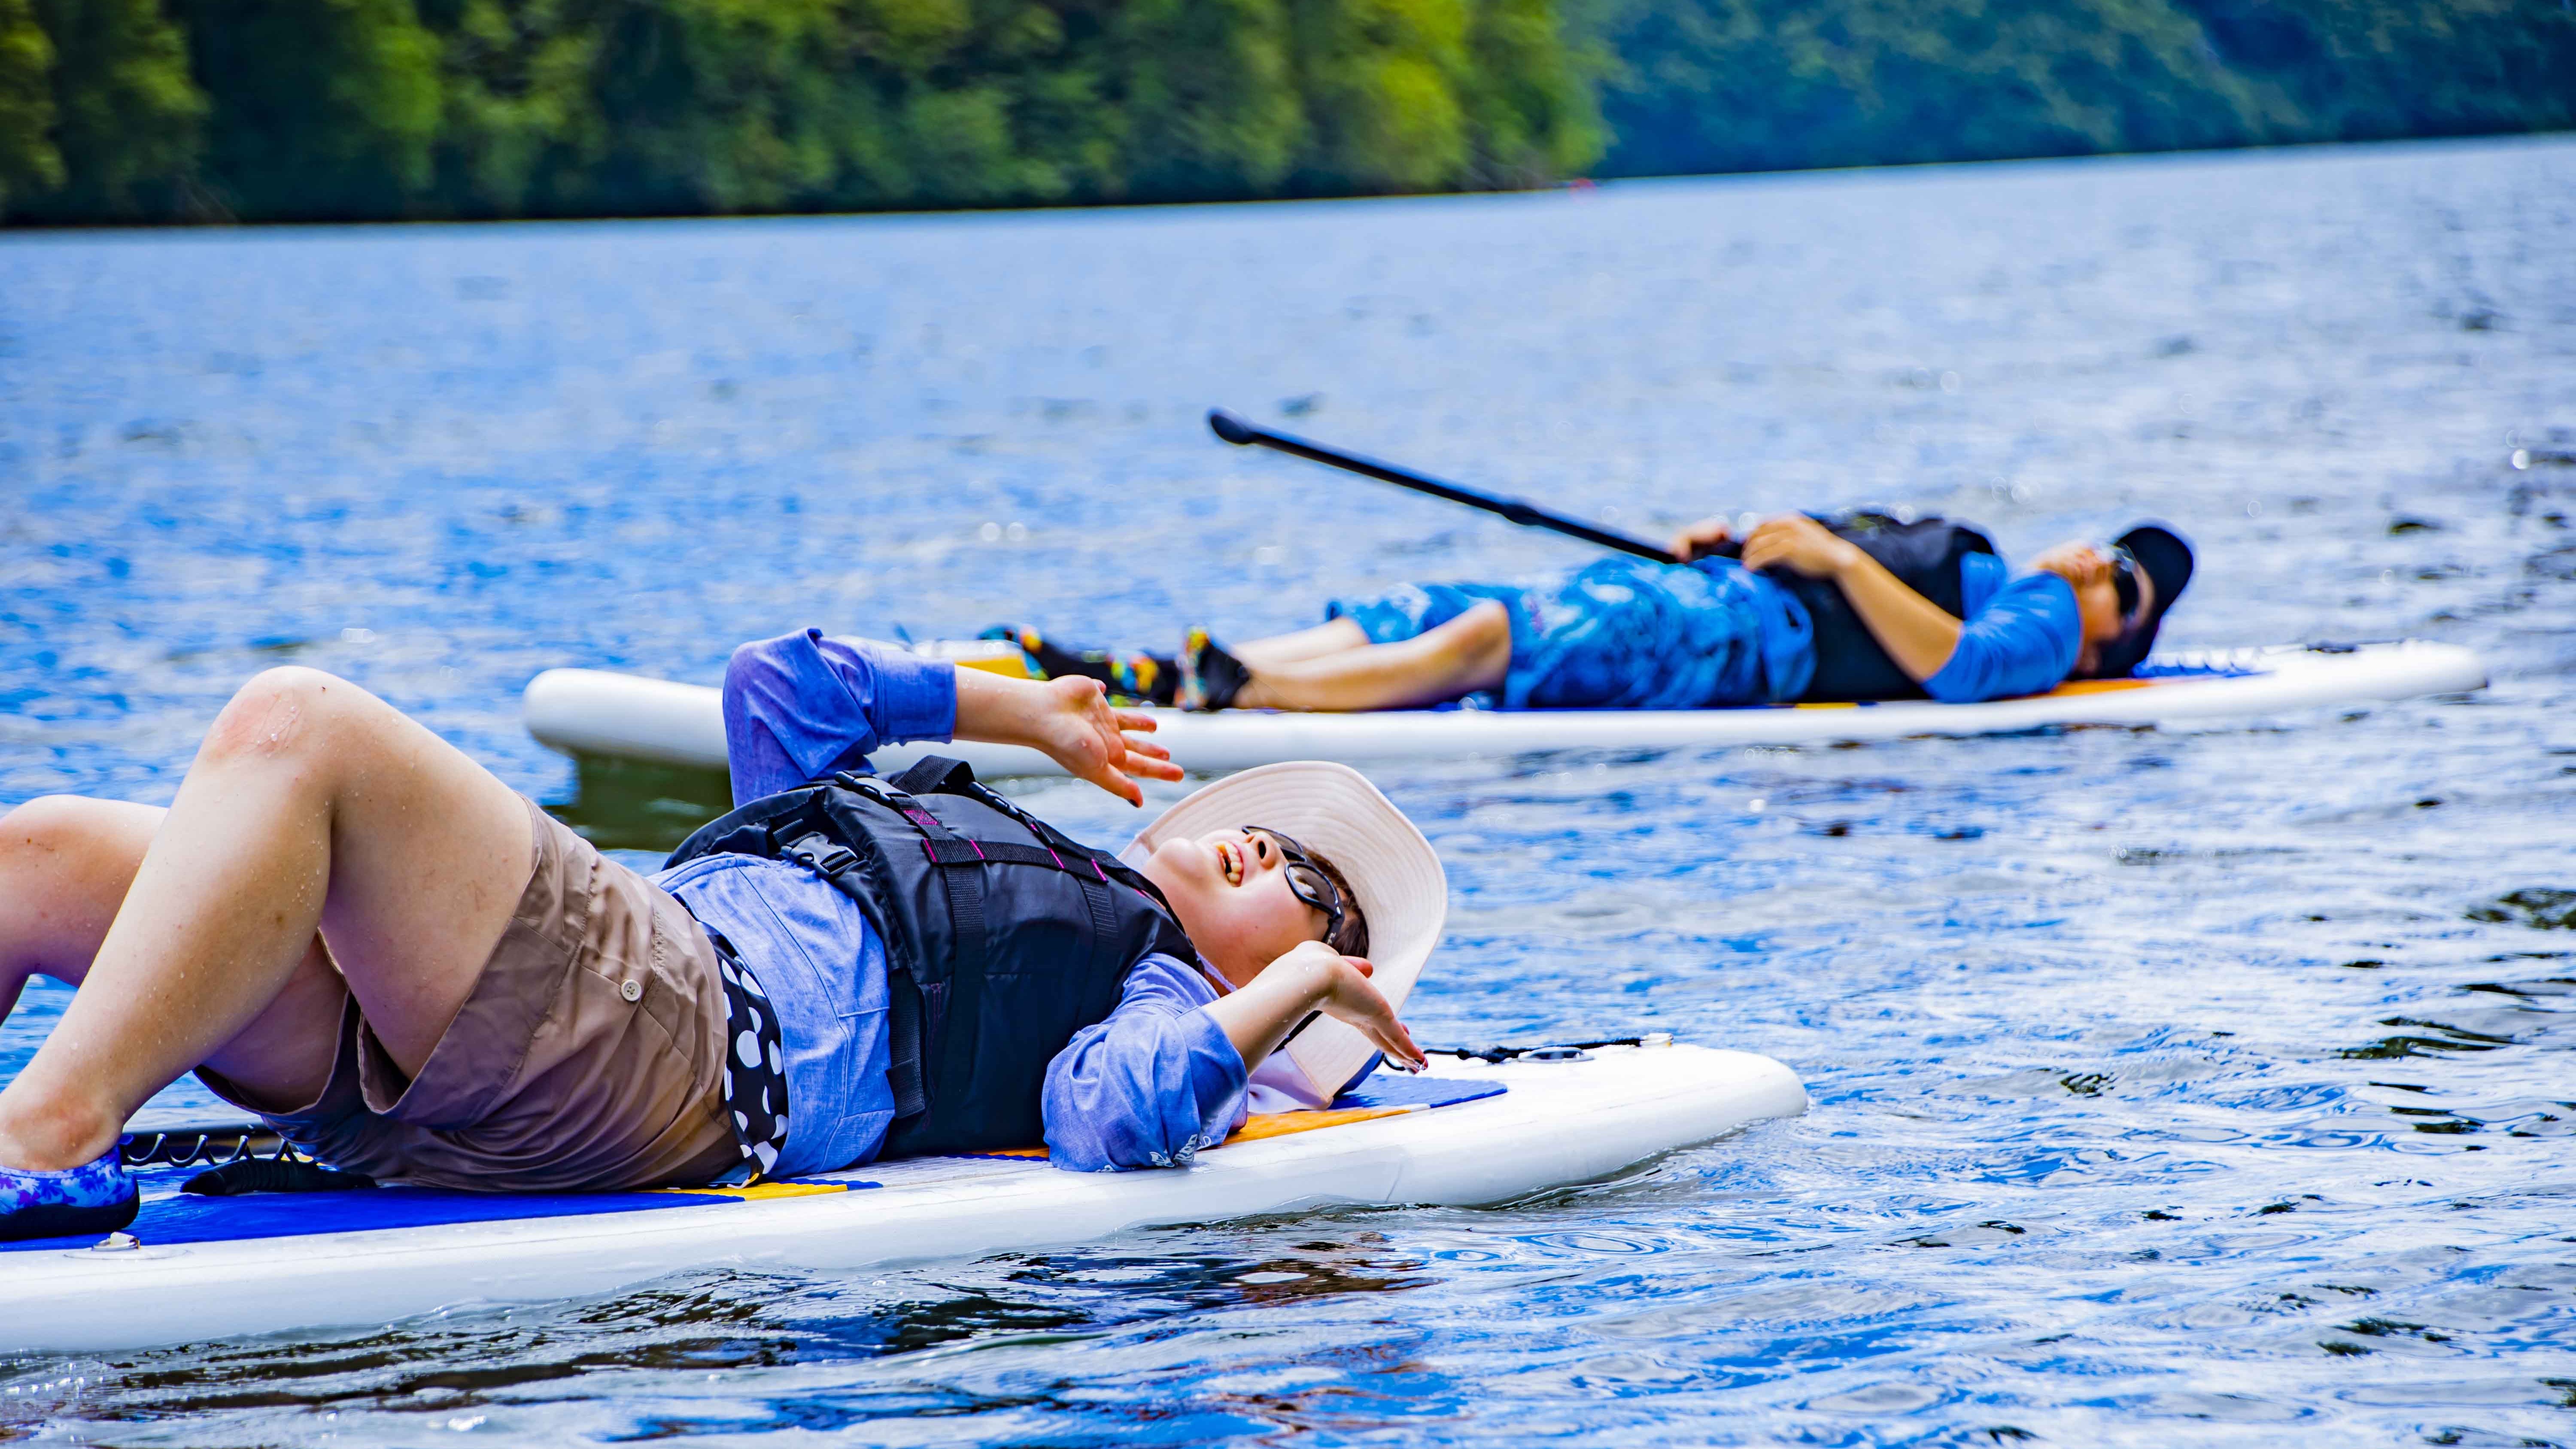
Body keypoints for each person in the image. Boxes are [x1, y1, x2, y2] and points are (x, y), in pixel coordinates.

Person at [0, 631, 1443, 1242]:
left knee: (298, 725)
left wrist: (1302, 985)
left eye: (1313, 891)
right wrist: (1013, 707)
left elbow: (1110, 1120)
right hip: (506, 1052)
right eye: (1277, 835)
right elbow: (780, 688)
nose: (1275, 852)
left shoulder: (1157, 991)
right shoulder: (964, 835)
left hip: (665, 1039)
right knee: (39, 855)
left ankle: (44, 1139)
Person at [1002, 513, 2193, 713]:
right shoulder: (2005, 572)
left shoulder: (2042, 624)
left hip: (1742, 647)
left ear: (2113, 636)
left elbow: (1965, 672)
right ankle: (1179, 668)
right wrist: (1749, 542)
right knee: (1426, 604)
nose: (2091, 564)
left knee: (1497, 639)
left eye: (2118, 584)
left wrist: (1830, 556)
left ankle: (1246, 689)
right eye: (2106, 550)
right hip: (1723, 601)